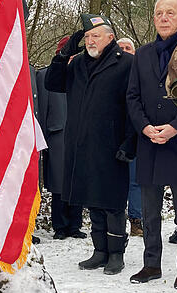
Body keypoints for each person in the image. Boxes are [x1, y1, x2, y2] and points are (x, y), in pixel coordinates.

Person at [45, 14, 135, 275]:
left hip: (112, 143)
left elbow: (133, 104)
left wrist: (131, 142)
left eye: (96, 36)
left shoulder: (127, 63)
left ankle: (116, 253)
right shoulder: (78, 64)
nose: (90, 41)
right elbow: (53, 83)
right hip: (82, 144)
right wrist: (63, 55)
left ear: (110, 38)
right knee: (93, 199)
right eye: (86, 37)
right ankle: (100, 251)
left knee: (112, 202)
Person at [127, 0, 177, 290]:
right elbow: (132, 96)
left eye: (170, 13)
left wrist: (174, 128)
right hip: (148, 142)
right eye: (159, 13)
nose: (164, 18)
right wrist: (144, 126)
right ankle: (152, 263)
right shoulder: (142, 54)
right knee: (149, 211)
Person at [36, 36, 86, 241]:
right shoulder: (45, 75)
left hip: (81, 135)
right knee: (58, 183)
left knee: (77, 180)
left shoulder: (85, 75)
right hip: (56, 136)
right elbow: (42, 108)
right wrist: (44, 138)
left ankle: (75, 225)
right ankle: (59, 225)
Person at [117, 37, 144, 237]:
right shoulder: (108, 72)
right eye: (121, 48)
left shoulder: (142, 73)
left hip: (136, 133)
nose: (125, 50)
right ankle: (115, 222)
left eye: (128, 47)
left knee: (135, 180)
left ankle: (136, 220)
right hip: (113, 134)